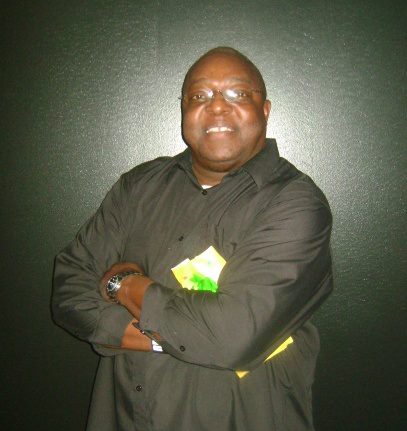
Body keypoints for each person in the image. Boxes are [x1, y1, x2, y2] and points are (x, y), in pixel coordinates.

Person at [52, 46, 333, 431]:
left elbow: (234, 335)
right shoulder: (139, 186)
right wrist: (158, 336)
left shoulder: (296, 203)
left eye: (237, 93)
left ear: (265, 110)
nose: (216, 106)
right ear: (183, 109)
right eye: (199, 96)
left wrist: (123, 284)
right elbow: (69, 288)